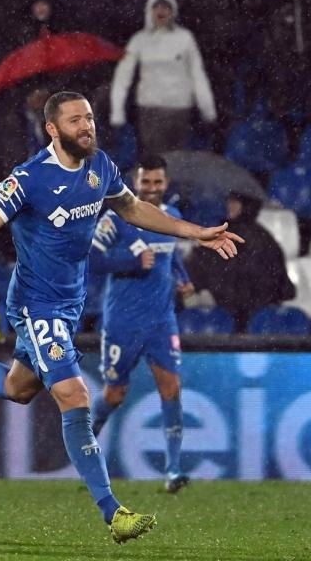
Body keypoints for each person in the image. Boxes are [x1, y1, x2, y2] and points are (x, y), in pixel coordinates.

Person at [0, 91, 243, 543]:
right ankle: (114, 513)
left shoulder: (100, 166)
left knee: (18, 388)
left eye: (90, 118)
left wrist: (194, 233)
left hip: (69, 303)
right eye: (76, 120)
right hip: (35, 304)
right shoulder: (28, 179)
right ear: (52, 129)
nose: (87, 126)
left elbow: (132, 208)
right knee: (75, 396)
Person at [87, 153, 195, 493]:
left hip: (162, 320)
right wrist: (131, 261)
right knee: (115, 394)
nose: (151, 187)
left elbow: (169, 256)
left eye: (157, 181)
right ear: (135, 182)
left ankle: (173, 470)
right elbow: (92, 260)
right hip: (124, 321)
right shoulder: (115, 218)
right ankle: (85, 445)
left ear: (165, 183)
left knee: (171, 387)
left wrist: (183, 278)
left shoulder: (172, 216)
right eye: (145, 181)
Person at [109, 0, 216, 157]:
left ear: (173, 12)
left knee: (176, 159)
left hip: (179, 110)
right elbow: (123, 77)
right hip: (150, 110)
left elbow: (197, 74)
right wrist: (117, 111)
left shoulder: (185, 39)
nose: (161, 11)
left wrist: (207, 108)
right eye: (156, 7)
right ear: (149, 11)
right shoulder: (139, 40)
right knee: (153, 159)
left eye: (166, 7)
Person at [187, 190, 296, 331]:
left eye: (236, 202)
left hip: (247, 313)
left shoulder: (257, 238)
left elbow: (269, 278)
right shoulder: (258, 235)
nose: (230, 206)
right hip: (238, 312)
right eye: (229, 201)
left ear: (247, 206)